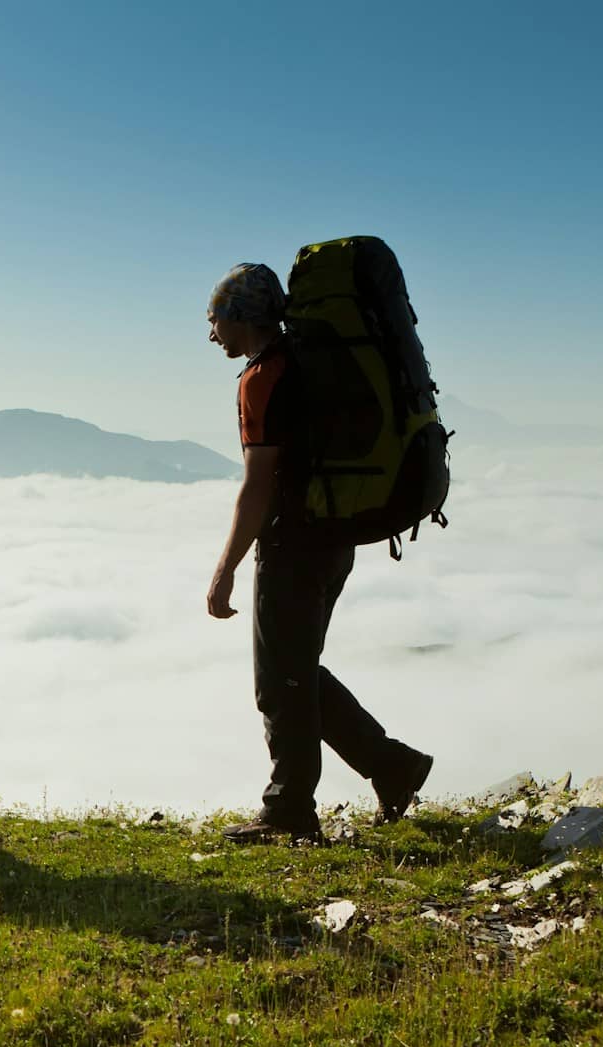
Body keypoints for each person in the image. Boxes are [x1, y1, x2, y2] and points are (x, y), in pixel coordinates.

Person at [204, 262, 433, 843]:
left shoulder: (264, 377)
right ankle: (393, 767)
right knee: (294, 672)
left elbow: (258, 485)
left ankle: (290, 810)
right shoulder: (308, 365)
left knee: (277, 681)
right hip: (335, 536)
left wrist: (224, 569)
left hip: (293, 542)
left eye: (215, 320)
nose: (212, 335)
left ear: (239, 316)